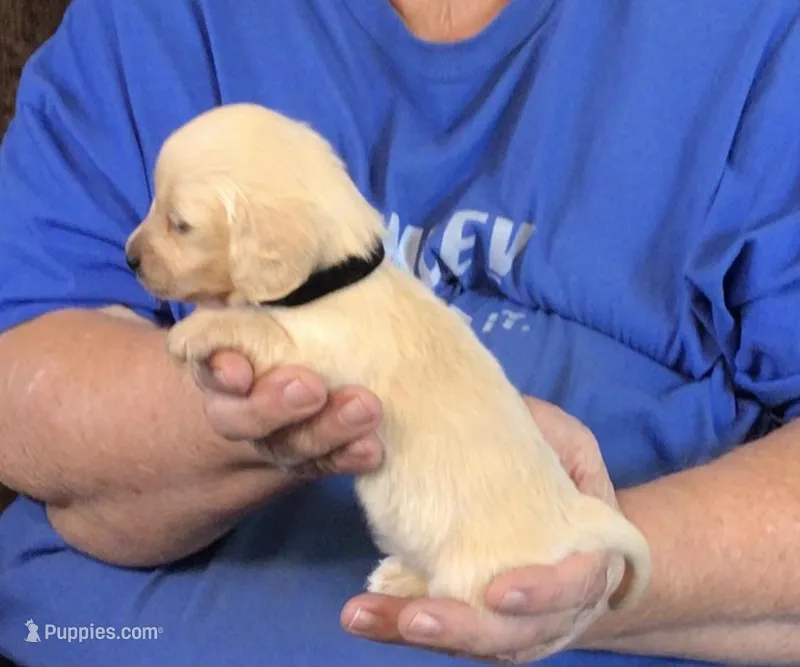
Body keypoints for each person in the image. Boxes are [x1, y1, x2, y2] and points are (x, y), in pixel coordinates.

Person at [0, 0, 798, 664]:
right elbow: (26, 372)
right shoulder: (159, 22)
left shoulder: (754, 37)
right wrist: (257, 416)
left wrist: (563, 566)